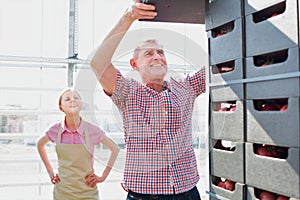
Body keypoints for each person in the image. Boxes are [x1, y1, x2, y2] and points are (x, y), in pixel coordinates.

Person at [90, 1, 206, 199]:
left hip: (189, 193)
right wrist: (128, 17)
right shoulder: (128, 92)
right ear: (134, 64)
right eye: (149, 53)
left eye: (160, 52)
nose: (157, 57)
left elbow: (220, 63)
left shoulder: (186, 86)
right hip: (145, 195)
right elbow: (97, 62)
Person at [37, 89, 120, 200]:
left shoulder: (92, 130)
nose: (73, 101)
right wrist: (50, 172)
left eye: (76, 98)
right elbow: (40, 144)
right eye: (67, 99)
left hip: (87, 193)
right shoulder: (55, 130)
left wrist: (103, 177)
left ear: (80, 104)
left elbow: (115, 149)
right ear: (61, 107)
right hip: (62, 193)